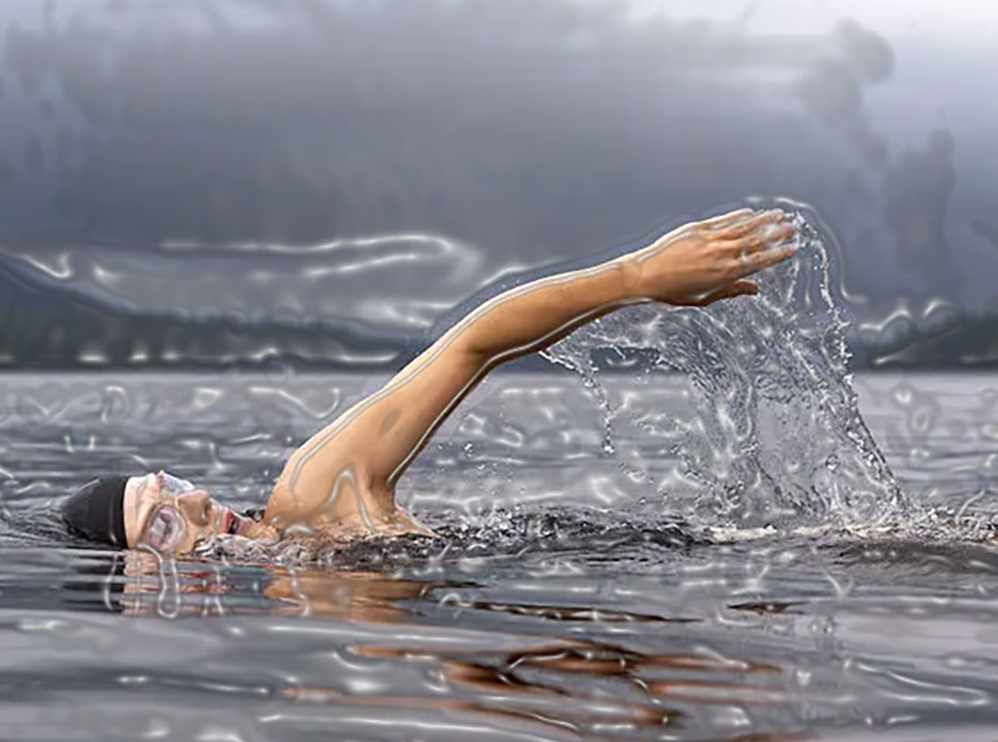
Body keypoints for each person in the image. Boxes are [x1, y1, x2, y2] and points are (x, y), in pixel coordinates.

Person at [56, 207, 799, 555]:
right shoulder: (308, 645)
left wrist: (637, 277)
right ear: (146, 588)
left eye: (172, 484)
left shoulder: (317, 496)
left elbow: (470, 345)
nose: (197, 500)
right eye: (161, 523)